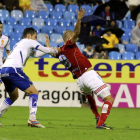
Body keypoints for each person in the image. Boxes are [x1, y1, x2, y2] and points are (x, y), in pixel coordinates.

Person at [48, 8, 114, 129]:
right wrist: (79, 19)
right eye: (72, 37)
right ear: (69, 38)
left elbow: (53, 53)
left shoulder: (61, 53)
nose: (75, 38)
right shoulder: (69, 45)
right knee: (109, 99)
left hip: (80, 80)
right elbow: (77, 33)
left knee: (89, 96)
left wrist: (48, 46)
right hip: (88, 75)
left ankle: (96, 116)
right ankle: (101, 123)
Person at [0, 28, 59, 128]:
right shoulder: (29, 41)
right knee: (34, 92)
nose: (35, 40)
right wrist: (56, 50)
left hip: (3, 70)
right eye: (35, 37)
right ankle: (32, 119)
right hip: (13, 70)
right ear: (29, 36)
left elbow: (36, 54)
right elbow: (44, 49)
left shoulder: (20, 44)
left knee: (13, 96)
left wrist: (48, 48)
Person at [0, 21, 11, 86]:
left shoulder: (6, 39)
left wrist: (8, 61)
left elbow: (8, 52)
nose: (0, 29)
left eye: (1, 27)